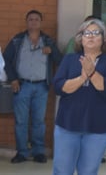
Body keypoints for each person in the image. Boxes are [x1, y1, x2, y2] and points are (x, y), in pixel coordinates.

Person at [52, 18, 106, 175]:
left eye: (96, 33)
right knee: (62, 170)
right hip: (67, 125)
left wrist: (92, 73)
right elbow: (58, 87)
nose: (90, 36)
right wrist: (82, 78)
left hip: (98, 128)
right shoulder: (69, 59)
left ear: (104, 39)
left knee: (88, 171)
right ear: (80, 38)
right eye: (86, 33)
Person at [3, 9, 63, 164]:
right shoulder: (17, 40)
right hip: (21, 85)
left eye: (37, 19)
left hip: (41, 86)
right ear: (26, 22)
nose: (34, 21)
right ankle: (22, 152)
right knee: (21, 121)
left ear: (40, 22)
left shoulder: (48, 41)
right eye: (30, 19)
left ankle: (38, 152)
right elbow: (5, 60)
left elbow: (60, 60)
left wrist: (51, 51)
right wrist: (13, 79)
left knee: (38, 121)